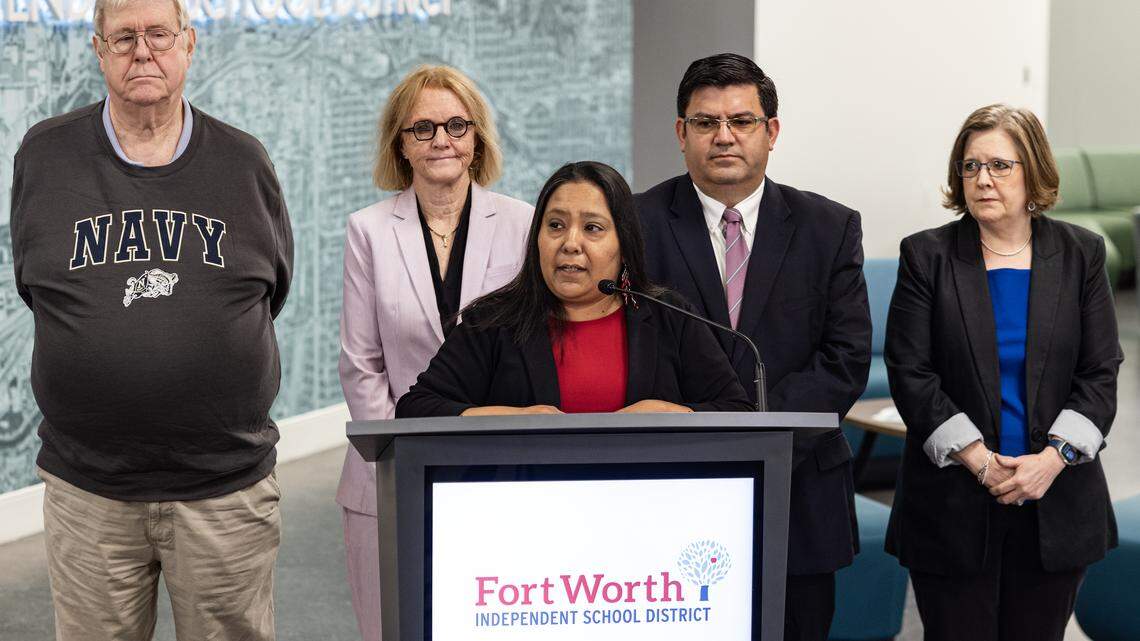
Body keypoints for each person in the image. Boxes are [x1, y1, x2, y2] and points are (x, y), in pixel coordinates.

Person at [9, 0, 293, 637]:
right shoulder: (45, 156)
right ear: (98, 49)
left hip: (224, 487)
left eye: (159, 34)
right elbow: (38, 286)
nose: (143, 50)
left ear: (188, 44)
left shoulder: (244, 162)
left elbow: (271, 290)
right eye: (125, 36)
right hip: (91, 492)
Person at [634, 53, 871, 640]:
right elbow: (631, 350)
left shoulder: (828, 227)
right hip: (673, 488)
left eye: (741, 121)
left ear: (771, 132)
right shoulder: (636, 225)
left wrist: (751, 426)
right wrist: (701, 426)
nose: (724, 137)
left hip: (799, 485)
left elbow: (845, 359)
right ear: (680, 134)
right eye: (706, 122)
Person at [884, 104, 1121, 641]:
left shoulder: (1081, 253)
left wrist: (1053, 460)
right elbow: (911, 372)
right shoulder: (928, 255)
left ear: (1033, 170)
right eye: (970, 167)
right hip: (953, 500)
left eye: (999, 165)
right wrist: (979, 460)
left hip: (1055, 498)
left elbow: (1101, 371)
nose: (982, 179)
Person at [336, 65, 533, 640]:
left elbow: (527, 354)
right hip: (388, 470)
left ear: (476, 138)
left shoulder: (522, 223)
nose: (441, 139)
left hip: (494, 471)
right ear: (401, 143)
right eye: (423, 128)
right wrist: (401, 453)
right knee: (392, 626)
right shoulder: (367, 230)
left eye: (455, 124)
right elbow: (361, 363)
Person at [395, 161, 752, 418]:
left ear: (624, 244)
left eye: (593, 228)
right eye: (555, 225)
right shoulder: (491, 321)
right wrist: (510, 420)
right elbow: (417, 409)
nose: (570, 243)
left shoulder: (668, 316)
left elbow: (736, 409)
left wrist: (675, 414)